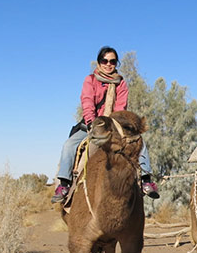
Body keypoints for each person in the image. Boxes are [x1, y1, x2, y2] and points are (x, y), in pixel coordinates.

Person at [52, 46, 159, 203]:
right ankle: (64, 184)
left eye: (112, 61)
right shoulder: (90, 80)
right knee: (69, 145)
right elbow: (87, 102)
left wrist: (114, 126)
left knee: (138, 142)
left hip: (114, 124)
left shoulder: (120, 83)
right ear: (99, 62)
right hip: (91, 124)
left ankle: (146, 180)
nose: (108, 64)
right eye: (105, 61)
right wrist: (91, 124)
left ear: (116, 63)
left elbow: (121, 108)